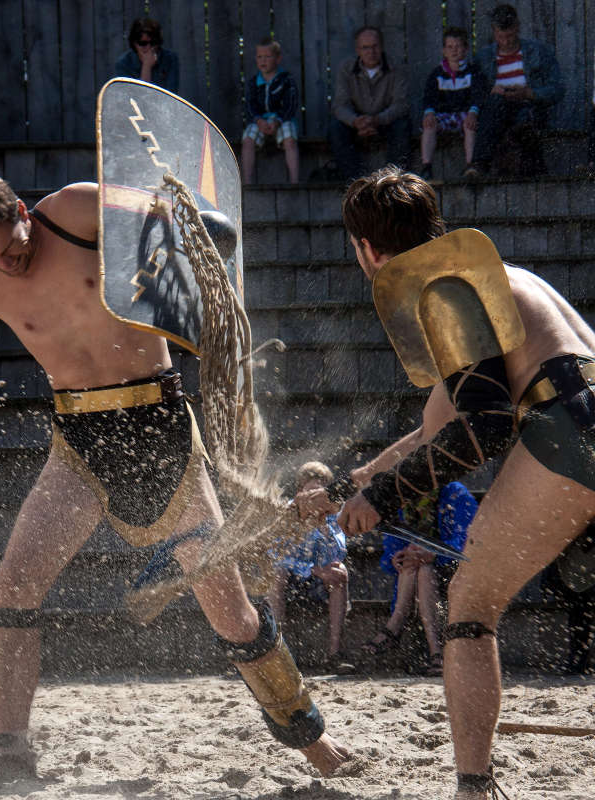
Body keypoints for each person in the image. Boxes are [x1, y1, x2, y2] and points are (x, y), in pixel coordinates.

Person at [0, 177, 351, 781]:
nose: (9, 262)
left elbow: (187, 222)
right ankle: (8, 750)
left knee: (231, 613)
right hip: (78, 436)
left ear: (24, 213)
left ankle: (309, 736)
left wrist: (195, 244)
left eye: (9, 245)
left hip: (158, 426)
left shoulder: (75, 210)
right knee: (12, 588)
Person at [296, 164, 595, 798]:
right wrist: (350, 489)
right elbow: (440, 428)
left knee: (470, 611)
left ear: (366, 249)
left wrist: (381, 499)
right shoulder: (499, 281)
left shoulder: (444, 292)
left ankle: (473, 788)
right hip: (581, 412)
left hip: (571, 432)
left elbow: (482, 429)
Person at [364, 482, 477, 677]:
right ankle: (436, 653)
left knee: (424, 569)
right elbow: (389, 555)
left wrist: (435, 554)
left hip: (455, 574)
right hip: (413, 580)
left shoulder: (456, 495)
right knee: (415, 565)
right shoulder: (401, 505)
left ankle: (394, 628)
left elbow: (469, 543)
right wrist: (396, 559)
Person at [269, 462, 354, 674]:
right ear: (300, 492)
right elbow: (275, 555)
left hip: (320, 584)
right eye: (310, 491)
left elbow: (339, 552)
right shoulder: (287, 511)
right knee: (275, 574)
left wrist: (324, 526)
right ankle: (275, 652)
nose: (314, 497)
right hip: (291, 581)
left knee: (340, 571)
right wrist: (313, 569)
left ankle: (335, 654)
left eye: (319, 492)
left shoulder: (333, 514)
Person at [464, 4, 564, 179]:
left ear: (517, 27)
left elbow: (558, 89)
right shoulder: (483, 58)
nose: (506, 41)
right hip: (496, 112)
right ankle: (479, 166)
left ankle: (533, 174)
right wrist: (491, 92)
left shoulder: (538, 52)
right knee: (495, 105)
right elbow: (474, 92)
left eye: (509, 35)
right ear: (494, 32)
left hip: (529, 106)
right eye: (500, 36)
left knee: (525, 121)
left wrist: (529, 93)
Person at [330, 26, 411, 182]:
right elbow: (339, 105)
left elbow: (401, 104)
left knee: (403, 125)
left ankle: (392, 181)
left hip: (386, 121)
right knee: (335, 128)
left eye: (375, 46)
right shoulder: (346, 69)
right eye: (365, 47)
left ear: (381, 47)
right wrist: (355, 121)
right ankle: (355, 182)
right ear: (357, 50)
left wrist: (378, 120)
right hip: (357, 122)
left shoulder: (396, 67)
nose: (370, 52)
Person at [419, 27, 487, 181]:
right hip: (444, 116)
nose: (454, 51)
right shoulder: (437, 74)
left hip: (465, 115)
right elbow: (429, 97)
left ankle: (471, 165)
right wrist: (429, 113)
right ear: (444, 50)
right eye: (450, 47)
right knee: (429, 125)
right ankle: (426, 166)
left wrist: (473, 112)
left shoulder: (473, 72)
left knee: (470, 125)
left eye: (458, 46)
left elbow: (478, 96)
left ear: (466, 49)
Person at [241, 38, 299, 184]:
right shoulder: (253, 82)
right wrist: (259, 120)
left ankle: (294, 181)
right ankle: (247, 183)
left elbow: (290, 105)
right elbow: (250, 105)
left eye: (267, 57)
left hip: (282, 120)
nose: (263, 61)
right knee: (248, 140)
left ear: (278, 59)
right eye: (260, 57)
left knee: (290, 140)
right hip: (260, 121)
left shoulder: (286, 80)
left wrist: (278, 120)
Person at [540, 523, 595, 674]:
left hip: (584, 563)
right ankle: (579, 662)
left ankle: (580, 662)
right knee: (579, 614)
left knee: (580, 614)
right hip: (578, 565)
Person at [115, 18, 179, 93]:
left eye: (153, 43)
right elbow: (136, 98)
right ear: (134, 43)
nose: (148, 48)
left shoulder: (170, 59)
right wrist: (146, 67)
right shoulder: (124, 64)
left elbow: (171, 94)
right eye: (143, 43)